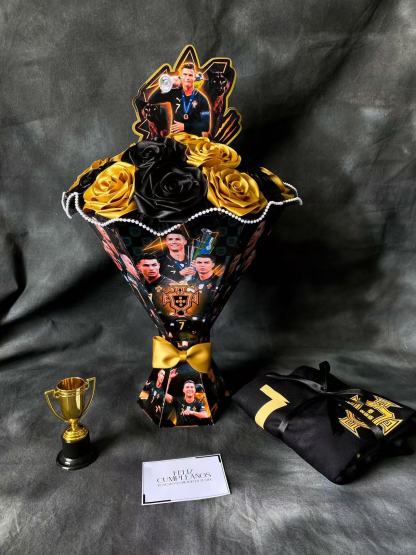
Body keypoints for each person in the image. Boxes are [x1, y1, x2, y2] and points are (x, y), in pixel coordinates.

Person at [148, 62, 210, 136]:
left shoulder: (202, 99)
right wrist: (169, 85)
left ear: (194, 78)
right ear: (180, 76)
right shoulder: (174, 93)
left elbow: (206, 126)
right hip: (175, 138)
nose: (187, 78)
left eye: (190, 75)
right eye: (185, 74)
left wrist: (185, 127)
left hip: (194, 139)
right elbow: (151, 100)